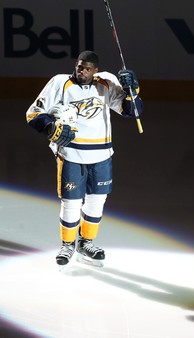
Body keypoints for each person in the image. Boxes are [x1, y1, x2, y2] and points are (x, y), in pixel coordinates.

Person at [26, 50, 143, 267]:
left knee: (97, 201)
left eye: (87, 68)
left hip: (102, 154)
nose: (82, 71)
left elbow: (131, 112)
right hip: (71, 153)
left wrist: (132, 90)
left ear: (95, 70)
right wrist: (50, 128)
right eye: (79, 66)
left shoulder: (106, 83)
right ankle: (68, 244)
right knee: (71, 202)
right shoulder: (60, 83)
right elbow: (33, 113)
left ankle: (86, 242)